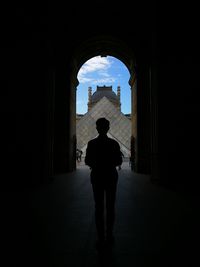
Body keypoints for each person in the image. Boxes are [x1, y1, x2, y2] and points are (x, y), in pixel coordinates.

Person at [85, 117, 122, 249]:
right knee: (110, 206)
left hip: (97, 176)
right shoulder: (114, 144)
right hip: (111, 176)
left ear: (96, 127)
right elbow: (119, 161)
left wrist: (97, 165)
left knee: (98, 207)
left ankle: (100, 237)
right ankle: (109, 235)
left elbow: (87, 161)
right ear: (108, 128)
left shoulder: (91, 143)